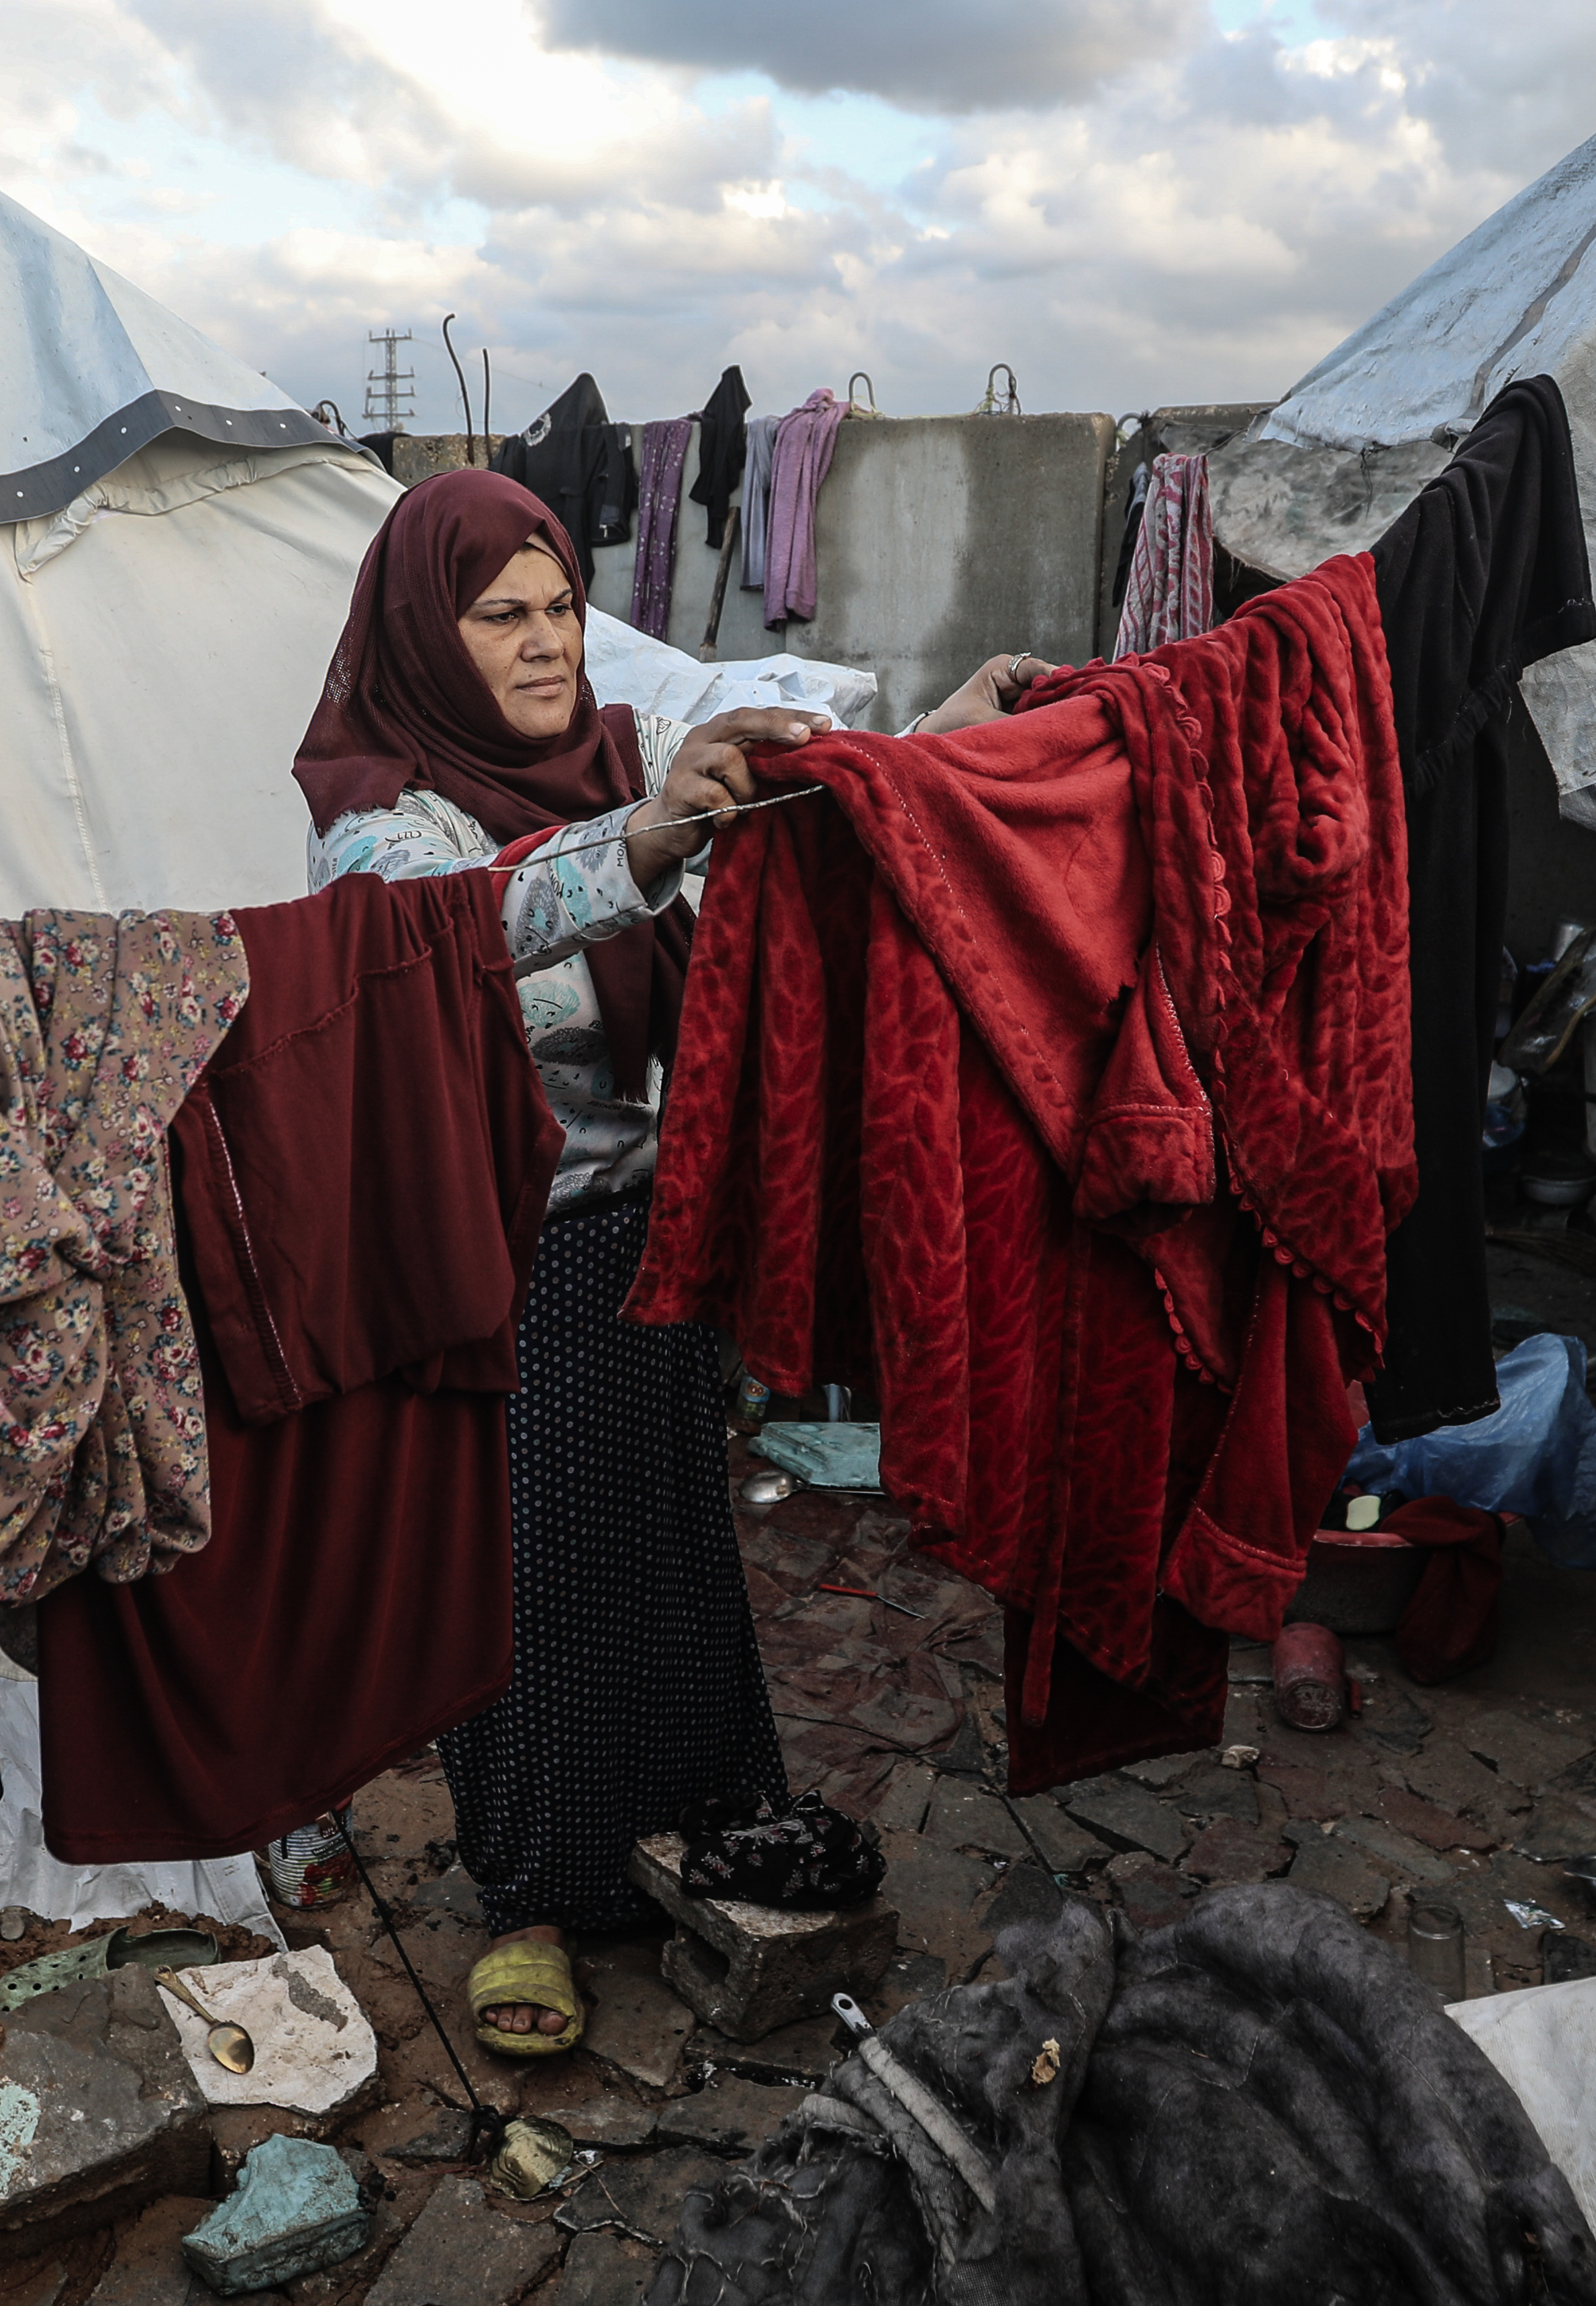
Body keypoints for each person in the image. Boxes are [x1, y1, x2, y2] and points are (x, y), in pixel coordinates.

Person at [293, 466, 1042, 2049]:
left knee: (668, 1559)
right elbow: (466, 929)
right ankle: (533, 1899)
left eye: (560, 604)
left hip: (645, 1232)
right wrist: (635, 838)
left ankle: (695, 1825)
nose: (544, 640)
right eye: (499, 614)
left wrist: (957, 731)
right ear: (428, 631)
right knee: (531, 1582)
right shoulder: (381, 824)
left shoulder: (607, 753)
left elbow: (794, 800)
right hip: (492, 1257)